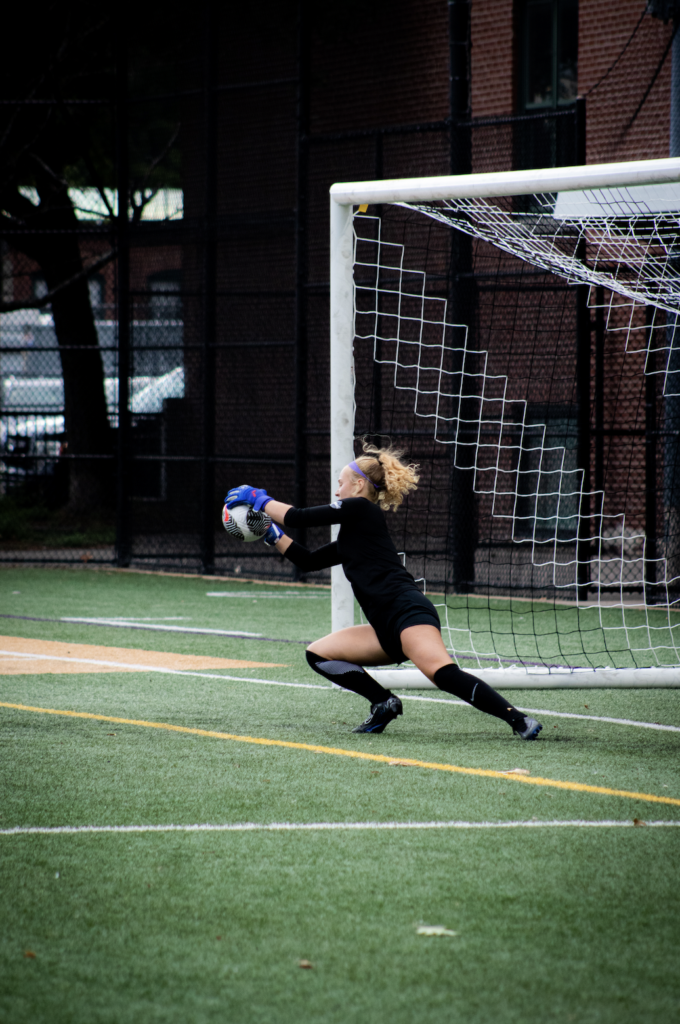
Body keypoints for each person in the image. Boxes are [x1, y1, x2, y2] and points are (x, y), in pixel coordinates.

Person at [225, 444, 542, 739]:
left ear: (359, 486)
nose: (337, 490)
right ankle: (382, 702)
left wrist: (257, 497)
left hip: (406, 612)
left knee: (442, 673)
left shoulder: (363, 510)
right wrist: (271, 533)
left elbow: (299, 517)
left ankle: (519, 720)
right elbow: (307, 561)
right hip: (384, 626)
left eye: (341, 483)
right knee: (318, 654)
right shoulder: (353, 536)